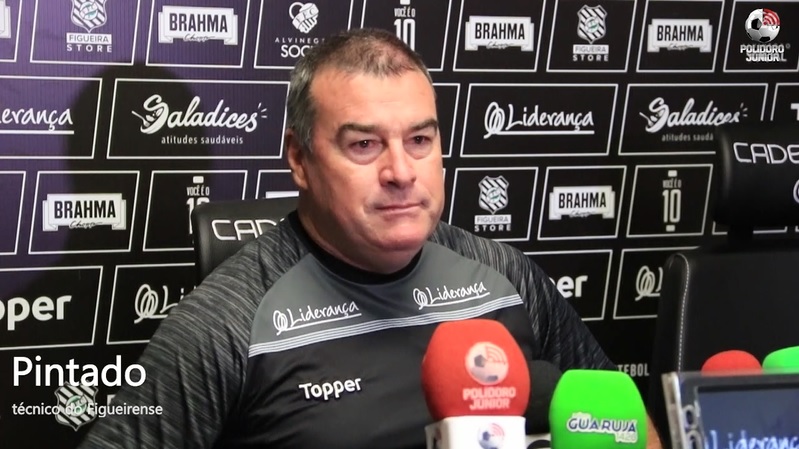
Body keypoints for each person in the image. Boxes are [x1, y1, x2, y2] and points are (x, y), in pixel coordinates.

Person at [78, 28, 662, 448]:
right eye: (364, 145)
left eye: (420, 140)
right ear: (300, 160)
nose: (401, 172)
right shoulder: (228, 321)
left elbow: (626, 426)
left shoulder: (505, 277)